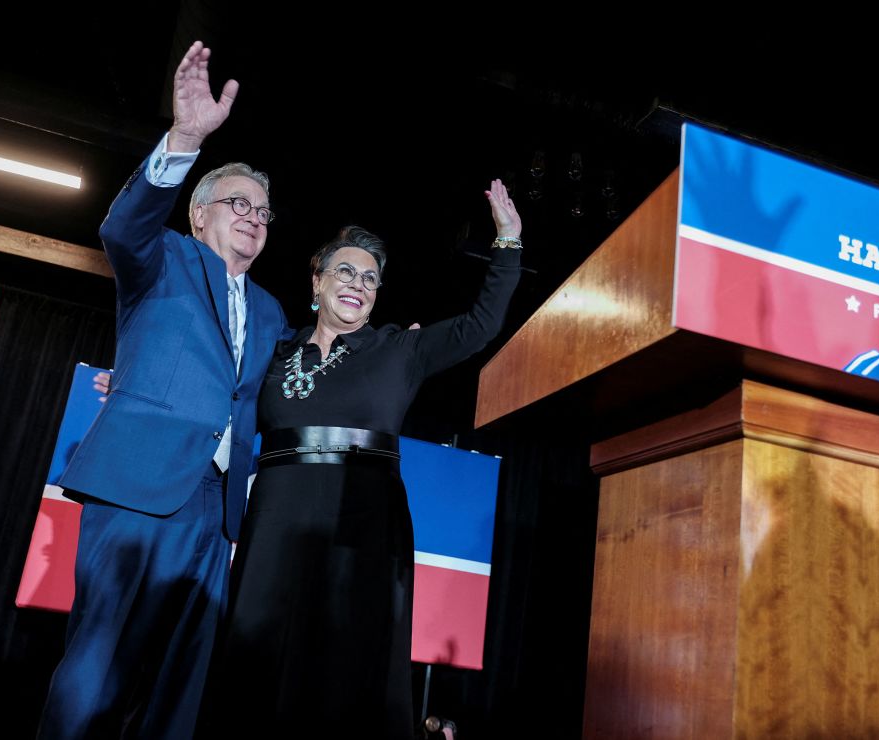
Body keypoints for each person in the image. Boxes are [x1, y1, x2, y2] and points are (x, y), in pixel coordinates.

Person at [204, 180, 522, 737]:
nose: (359, 284)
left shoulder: (400, 349)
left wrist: (509, 242)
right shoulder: (275, 350)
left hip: (363, 523)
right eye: (346, 272)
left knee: (347, 663)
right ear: (317, 281)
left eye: (371, 278)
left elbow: (481, 326)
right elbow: (220, 395)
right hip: (277, 519)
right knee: (261, 653)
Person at [37, 41, 291, 740]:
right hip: (139, 488)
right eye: (239, 202)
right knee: (101, 664)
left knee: (180, 681)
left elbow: (284, 389)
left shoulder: (270, 311)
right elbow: (122, 226)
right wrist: (185, 139)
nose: (254, 217)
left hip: (216, 512)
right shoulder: (163, 259)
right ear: (198, 214)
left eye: (265, 213)